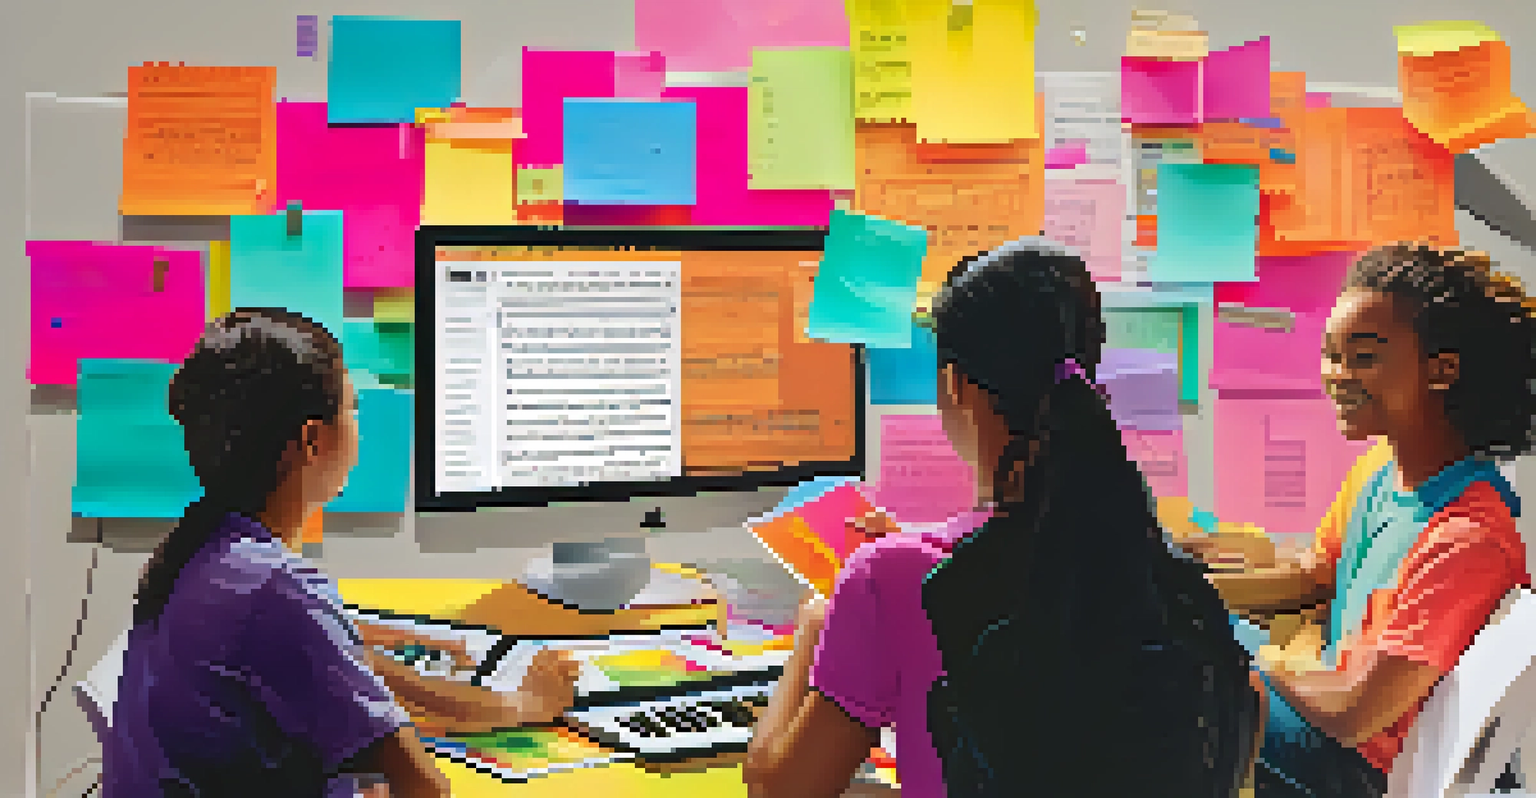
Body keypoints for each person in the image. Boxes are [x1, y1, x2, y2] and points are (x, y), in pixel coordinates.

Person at [744, 240, 1262, 798]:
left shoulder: (892, 580)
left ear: (954, 386)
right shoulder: (1162, 574)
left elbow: (780, 788)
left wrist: (814, 630)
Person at [101, 309, 578, 798]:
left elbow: (331, 661)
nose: (359, 429)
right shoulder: (274, 591)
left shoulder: (211, 553)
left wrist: (401, 645)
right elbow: (423, 787)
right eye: (353, 410)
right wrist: (524, 704)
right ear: (312, 439)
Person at [1181, 243, 1536, 797]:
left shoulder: (1467, 539)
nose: (1336, 375)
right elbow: (1314, 574)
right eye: (1330, 353)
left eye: (1364, 357)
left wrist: (1268, 658)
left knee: (1168, 680)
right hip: (1318, 722)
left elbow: (1356, 711)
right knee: (1169, 630)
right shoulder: (1380, 471)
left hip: (1351, 771)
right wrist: (1190, 583)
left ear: (1441, 371)